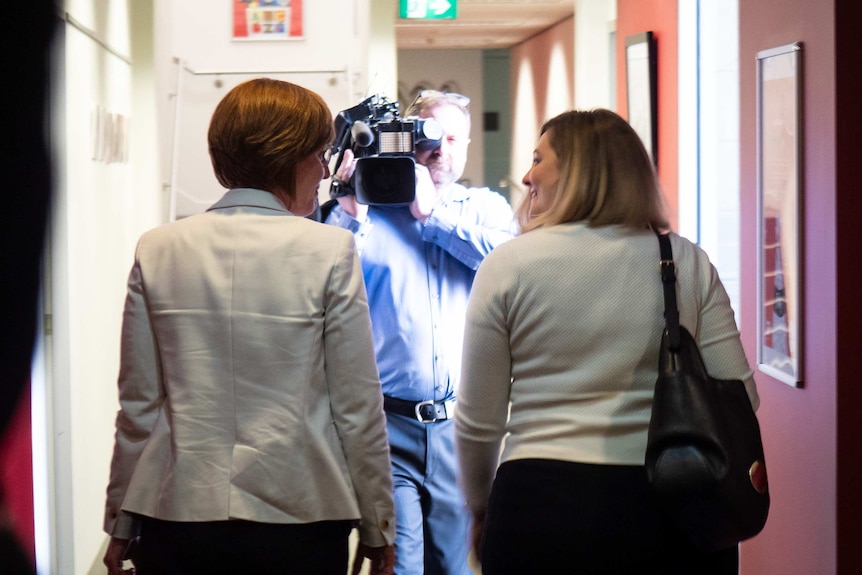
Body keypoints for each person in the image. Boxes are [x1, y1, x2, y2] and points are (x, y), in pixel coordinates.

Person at [101, 78, 395, 575]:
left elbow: (139, 407)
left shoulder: (158, 249)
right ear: (289, 156)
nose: (325, 169)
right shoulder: (329, 251)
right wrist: (378, 524)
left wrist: (119, 521)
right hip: (301, 512)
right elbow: (357, 407)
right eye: (320, 154)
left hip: (177, 511)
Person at [455, 109, 760, 574]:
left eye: (539, 159)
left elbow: (479, 422)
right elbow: (741, 394)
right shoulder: (686, 262)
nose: (525, 175)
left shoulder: (508, 266)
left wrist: (480, 507)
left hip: (539, 506)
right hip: (677, 506)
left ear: (579, 171)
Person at [325, 90, 516, 574]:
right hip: (389, 428)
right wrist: (349, 209)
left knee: (454, 566)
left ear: (467, 145)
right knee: (399, 565)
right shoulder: (370, 215)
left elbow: (509, 268)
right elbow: (326, 282)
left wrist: (434, 217)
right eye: (428, 134)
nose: (439, 148)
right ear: (404, 139)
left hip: (461, 429)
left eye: (452, 137)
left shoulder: (483, 210)